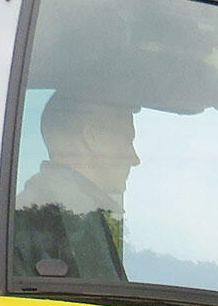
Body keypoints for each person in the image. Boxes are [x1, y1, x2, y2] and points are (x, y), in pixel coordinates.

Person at [11, 93, 139, 282]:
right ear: (93, 136)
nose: (135, 158)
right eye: (128, 140)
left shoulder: (31, 210)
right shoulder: (76, 219)